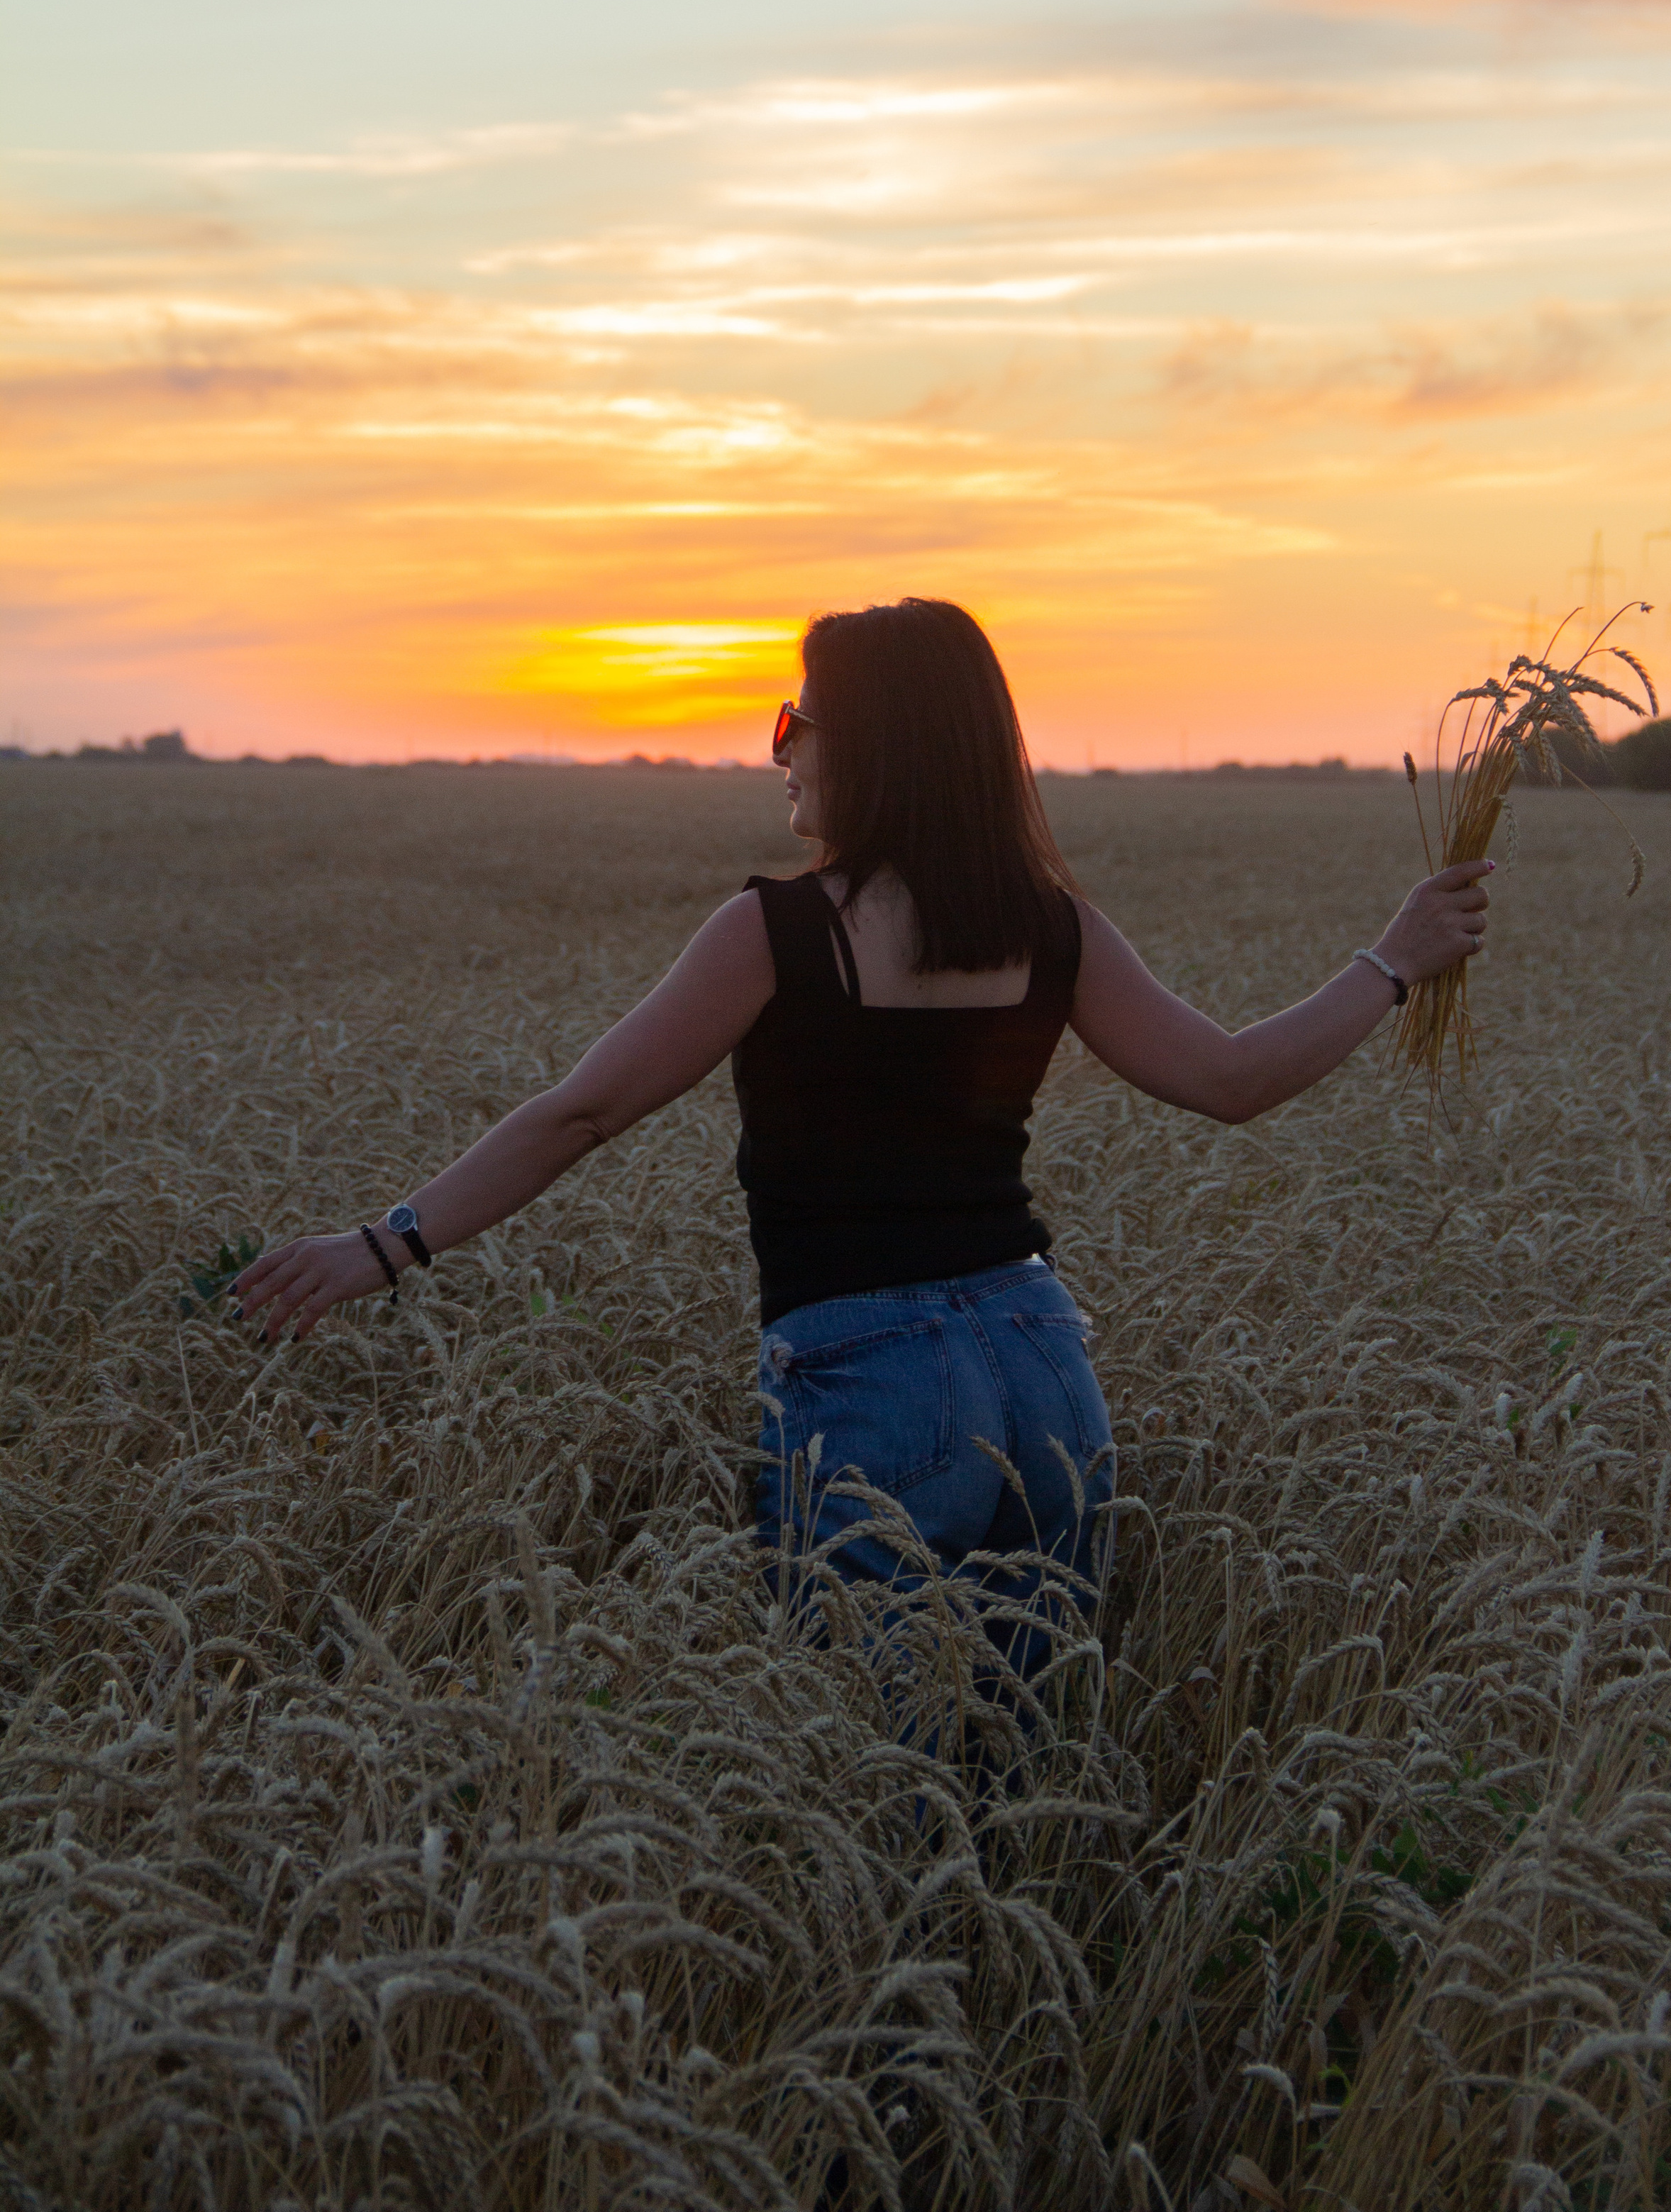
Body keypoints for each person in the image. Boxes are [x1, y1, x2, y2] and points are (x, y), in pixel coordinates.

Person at [229, 599, 1490, 1682]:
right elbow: (1232, 1079)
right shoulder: (1054, 930)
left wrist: (383, 1247)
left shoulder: (776, 933)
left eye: (799, 722)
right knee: (1021, 1780)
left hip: (876, 1382)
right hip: (1047, 1367)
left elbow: (584, 1111)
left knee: (863, 1782)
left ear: (875, 749)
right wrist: (1392, 961)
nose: (780, 751)